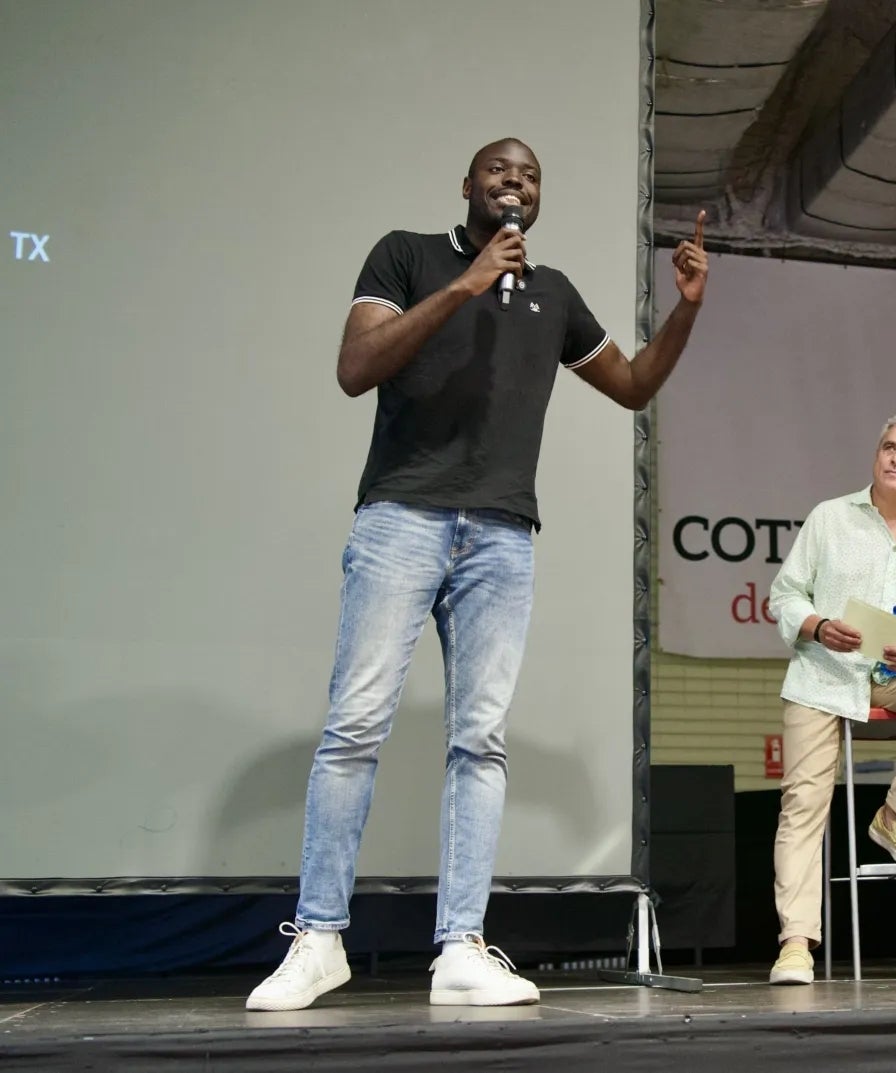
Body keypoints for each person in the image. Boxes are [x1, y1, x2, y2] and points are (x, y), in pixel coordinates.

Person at [246, 138, 710, 1012]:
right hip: (401, 517)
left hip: (502, 536)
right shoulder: (408, 255)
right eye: (500, 170)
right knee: (354, 726)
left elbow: (636, 384)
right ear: (468, 185)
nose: (515, 183)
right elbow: (356, 368)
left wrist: (684, 310)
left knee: (480, 741)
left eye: (531, 175)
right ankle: (318, 939)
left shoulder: (554, 293)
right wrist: (463, 285)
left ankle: (461, 944)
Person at [764, 413, 896, 986]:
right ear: (876, 455)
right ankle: (796, 945)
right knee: (803, 804)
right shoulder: (830, 517)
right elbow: (783, 595)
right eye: (889, 446)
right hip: (825, 672)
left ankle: (895, 815)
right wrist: (816, 624)